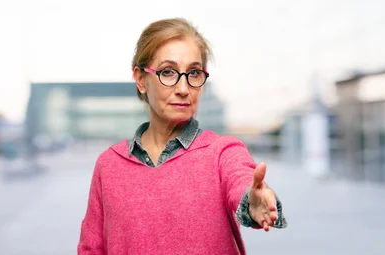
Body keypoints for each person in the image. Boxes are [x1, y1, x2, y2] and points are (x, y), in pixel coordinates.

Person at [78, 17, 287, 255]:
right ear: (140, 79)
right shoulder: (109, 165)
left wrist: (253, 202)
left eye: (194, 73)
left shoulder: (222, 152)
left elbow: (240, 179)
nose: (183, 88)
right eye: (168, 72)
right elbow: (91, 248)